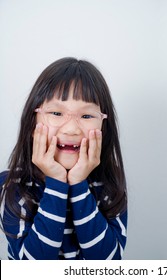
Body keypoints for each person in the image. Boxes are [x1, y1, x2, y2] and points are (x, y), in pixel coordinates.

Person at [0, 57, 127, 260]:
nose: (71, 129)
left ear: (104, 126)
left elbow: (108, 263)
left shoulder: (108, 185)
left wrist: (78, 184)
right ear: (32, 125)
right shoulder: (13, 185)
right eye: (56, 113)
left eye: (86, 116)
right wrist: (57, 183)